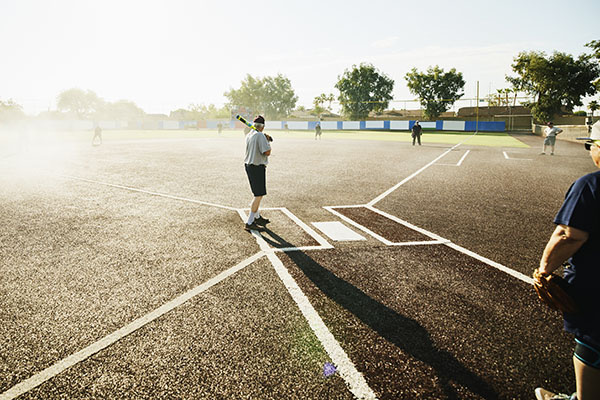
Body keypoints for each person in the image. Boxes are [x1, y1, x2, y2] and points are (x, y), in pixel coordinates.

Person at [534, 120, 600, 400]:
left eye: (592, 145)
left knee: (592, 342)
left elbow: (569, 235)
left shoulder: (590, 185)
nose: (590, 151)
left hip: (595, 288)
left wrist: (543, 270)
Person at [244, 115, 272, 231]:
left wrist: (264, 138)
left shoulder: (249, 134)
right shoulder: (260, 135)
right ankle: (250, 222)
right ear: (263, 126)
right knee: (259, 195)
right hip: (257, 167)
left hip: (249, 166)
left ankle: (257, 216)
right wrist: (267, 141)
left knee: (257, 193)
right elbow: (267, 152)